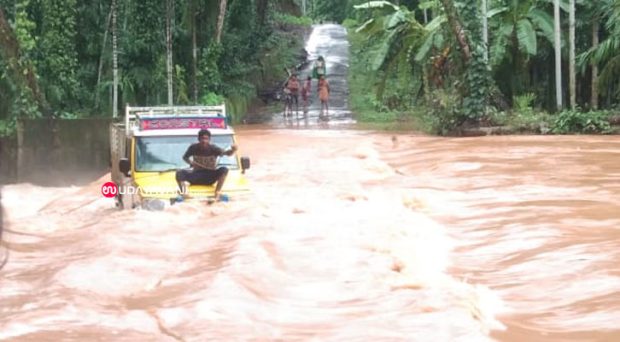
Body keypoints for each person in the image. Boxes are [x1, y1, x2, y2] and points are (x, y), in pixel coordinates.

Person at [176, 129, 237, 201]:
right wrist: (191, 163)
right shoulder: (193, 148)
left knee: (224, 169)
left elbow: (226, 153)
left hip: (210, 177)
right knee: (179, 173)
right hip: (196, 175)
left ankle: (217, 192)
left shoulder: (213, 148)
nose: (204, 141)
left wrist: (233, 150)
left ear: (209, 140)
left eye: (206, 139)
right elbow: (185, 157)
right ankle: (184, 192)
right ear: (198, 139)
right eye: (202, 138)